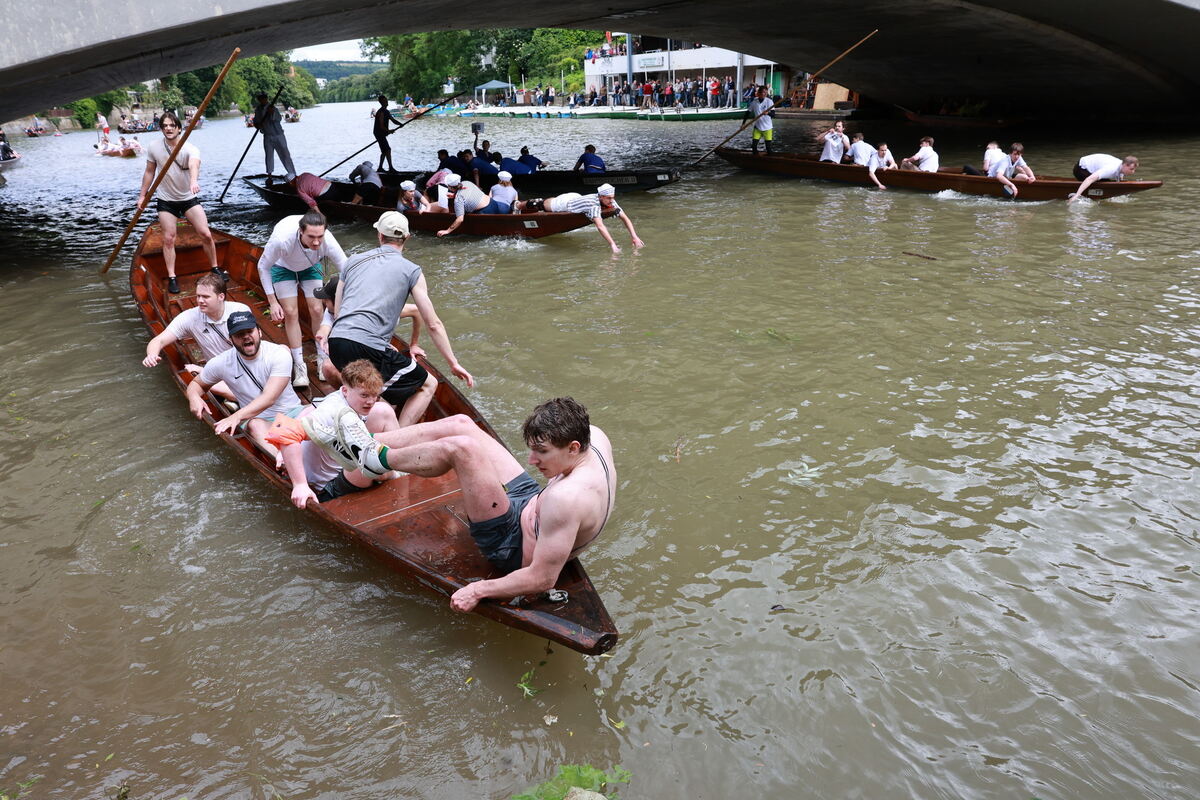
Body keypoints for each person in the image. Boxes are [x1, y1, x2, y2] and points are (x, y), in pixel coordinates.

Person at [302, 396, 615, 612]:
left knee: (461, 448)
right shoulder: (595, 438)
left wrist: (476, 590)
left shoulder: (567, 497)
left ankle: (374, 460)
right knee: (462, 424)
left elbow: (542, 578)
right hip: (533, 504)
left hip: (511, 544)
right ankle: (361, 447)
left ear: (573, 447)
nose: (532, 460)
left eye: (542, 453)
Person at [328, 211, 474, 426]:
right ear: (407, 238)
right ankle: (398, 439)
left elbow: (338, 312)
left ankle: (367, 429)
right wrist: (454, 363)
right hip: (368, 346)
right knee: (427, 384)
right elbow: (433, 323)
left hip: (337, 343)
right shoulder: (411, 270)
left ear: (379, 235)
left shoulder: (353, 262)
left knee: (375, 389)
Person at [267, 359, 403, 508]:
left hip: (345, 466)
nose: (370, 402)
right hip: (327, 487)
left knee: (384, 411)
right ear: (345, 390)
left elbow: (308, 410)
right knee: (369, 458)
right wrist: (299, 484)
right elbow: (285, 431)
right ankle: (397, 473)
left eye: (374, 395)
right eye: (364, 395)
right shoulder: (332, 410)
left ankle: (399, 466)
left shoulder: (343, 399)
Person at [185, 310, 302, 465]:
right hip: (261, 420)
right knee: (255, 425)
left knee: (315, 413)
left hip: (293, 412)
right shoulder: (222, 362)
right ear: (231, 339)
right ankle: (283, 467)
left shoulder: (278, 354)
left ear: (259, 332)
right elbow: (197, 384)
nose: (246, 337)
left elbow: (269, 398)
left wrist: (236, 416)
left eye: (249, 331)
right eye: (239, 334)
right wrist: (193, 397)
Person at [256, 210, 349, 388]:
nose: (316, 242)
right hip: (282, 267)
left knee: (316, 309)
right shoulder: (282, 241)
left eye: (319, 237)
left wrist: (346, 301)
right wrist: (273, 302)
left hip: (310, 266)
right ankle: (299, 365)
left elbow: (346, 269)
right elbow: (263, 266)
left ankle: (323, 360)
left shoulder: (327, 241)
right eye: (311, 237)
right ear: (300, 232)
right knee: (290, 312)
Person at [137, 110, 219, 294]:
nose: (168, 129)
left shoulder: (190, 148)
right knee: (168, 238)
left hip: (188, 198)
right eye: (164, 126)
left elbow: (194, 165)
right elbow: (150, 171)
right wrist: (142, 195)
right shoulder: (154, 147)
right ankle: (172, 277)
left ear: (179, 128)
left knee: (205, 234)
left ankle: (214, 268)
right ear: (161, 128)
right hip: (166, 200)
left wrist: (193, 181)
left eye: (171, 125)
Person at [141, 272, 250, 397]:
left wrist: (201, 371)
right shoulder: (190, 317)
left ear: (221, 297)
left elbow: (251, 348)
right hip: (219, 373)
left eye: (206, 297)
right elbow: (158, 340)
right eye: (198, 296)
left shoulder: (241, 311)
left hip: (245, 365)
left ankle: (234, 397)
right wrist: (152, 355)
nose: (200, 301)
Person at [312, 275, 425, 386]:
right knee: (327, 367)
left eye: (326, 300)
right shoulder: (331, 310)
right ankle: (353, 396)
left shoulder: (377, 309)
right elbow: (325, 327)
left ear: (339, 300)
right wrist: (322, 335)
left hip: (377, 354)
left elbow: (416, 310)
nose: (324, 303)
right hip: (359, 353)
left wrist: (414, 344)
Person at [517, 184, 643, 254]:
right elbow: (600, 226)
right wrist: (613, 245)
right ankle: (518, 205)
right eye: (609, 198)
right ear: (600, 197)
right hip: (565, 203)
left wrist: (634, 236)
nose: (612, 200)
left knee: (545, 202)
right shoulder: (593, 205)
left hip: (576, 198)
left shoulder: (610, 201)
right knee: (541, 204)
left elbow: (624, 217)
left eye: (612, 197)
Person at [437, 173, 505, 236]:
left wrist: (447, 231)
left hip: (485, 212)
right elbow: (470, 192)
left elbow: (460, 219)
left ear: (451, 187)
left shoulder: (458, 199)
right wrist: (454, 195)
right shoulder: (467, 182)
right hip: (492, 203)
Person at [253, 92, 296, 182]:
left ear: (266, 99)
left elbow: (278, 119)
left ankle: (293, 174)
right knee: (268, 155)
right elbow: (256, 123)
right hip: (267, 136)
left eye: (264, 98)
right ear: (259, 100)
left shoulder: (273, 108)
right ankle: (269, 175)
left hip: (278, 135)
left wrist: (271, 113)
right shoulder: (258, 110)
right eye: (261, 99)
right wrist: (258, 125)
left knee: (285, 154)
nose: (262, 100)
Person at [1069, 154, 1139, 203]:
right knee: (1101, 182)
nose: (1133, 172)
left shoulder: (1120, 166)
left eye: (1134, 170)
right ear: (1124, 165)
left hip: (1092, 167)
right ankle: (1086, 194)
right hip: (1080, 169)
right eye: (1131, 169)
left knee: (1107, 182)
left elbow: (1119, 179)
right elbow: (1089, 179)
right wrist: (1077, 195)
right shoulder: (1110, 169)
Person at [289, 172, 357, 209]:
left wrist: (319, 214)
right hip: (332, 186)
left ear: (291, 183)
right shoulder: (305, 174)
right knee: (339, 200)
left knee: (320, 202)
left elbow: (311, 203)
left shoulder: (299, 189)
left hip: (326, 195)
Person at [373, 95, 402, 171]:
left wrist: (400, 124)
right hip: (379, 133)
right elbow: (381, 126)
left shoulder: (386, 111)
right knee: (387, 150)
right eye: (385, 101)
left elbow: (393, 120)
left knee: (384, 151)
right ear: (381, 102)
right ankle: (391, 168)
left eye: (386, 100)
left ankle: (380, 168)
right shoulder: (381, 112)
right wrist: (389, 131)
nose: (386, 102)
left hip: (382, 133)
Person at [745, 86, 775, 155]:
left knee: (768, 148)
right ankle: (755, 161)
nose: (764, 94)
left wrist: (768, 113)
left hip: (767, 128)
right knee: (754, 146)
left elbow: (773, 114)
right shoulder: (754, 102)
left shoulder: (769, 101)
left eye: (766, 92)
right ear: (759, 93)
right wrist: (743, 124)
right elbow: (747, 113)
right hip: (757, 127)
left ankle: (770, 161)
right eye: (763, 92)